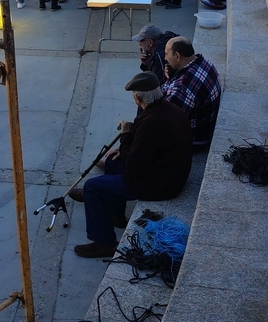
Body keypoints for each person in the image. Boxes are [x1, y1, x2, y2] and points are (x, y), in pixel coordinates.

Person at [69, 71, 193, 258]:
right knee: (112, 161)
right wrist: (129, 142)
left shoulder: (150, 122)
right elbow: (148, 146)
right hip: (169, 174)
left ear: (137, 98)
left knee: (92, 187)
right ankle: (116, 215)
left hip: (159, 185)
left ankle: (104, 242)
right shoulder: (170, 110)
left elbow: (131, 166)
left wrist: (126, 135)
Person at [162, 37, 222, 150]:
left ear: (177, 56)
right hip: (206, 128)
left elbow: (165, 123)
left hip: (196, 140)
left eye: (166, 54)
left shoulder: (182, 88)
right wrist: (170, 77)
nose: (165, 58)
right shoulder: (204, 62)